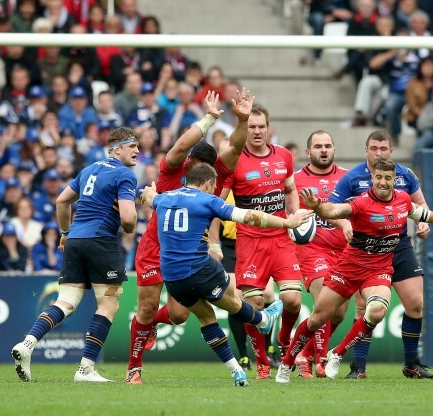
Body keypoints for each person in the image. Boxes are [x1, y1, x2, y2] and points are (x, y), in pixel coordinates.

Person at [275, 157, 433, 383]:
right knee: (317, 319)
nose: (383, 182)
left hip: (378, 270)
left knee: (376, 311)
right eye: (378, 177)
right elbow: (334, 210)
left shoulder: (403, 199)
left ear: (395, 180)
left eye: (388, 178)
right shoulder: (361, 203)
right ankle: (287, 362)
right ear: (372, 179)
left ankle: (337, 353)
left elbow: (419, 212)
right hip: (349, 268)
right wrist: (317, 206)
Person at [141, 163, 312, 386]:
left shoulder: (164, 199)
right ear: (207, 183)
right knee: (234, 302)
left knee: (206, 318)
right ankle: (263, 320)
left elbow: (150, 197)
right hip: (200, 269)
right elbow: (250, 216)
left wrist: (148, 191)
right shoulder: (207, 200)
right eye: (214, 186)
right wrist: (286, 222)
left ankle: (236, 371)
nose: (215, 191)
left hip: (172, 277)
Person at [126, 89, 253, 385]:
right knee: (146, 307)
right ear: (189, 163)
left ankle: (151, 324)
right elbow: (181, 144)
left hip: (186, 253)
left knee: (180, 315)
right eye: (195, 169)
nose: (200, 177)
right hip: (155, 247)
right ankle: (134, 369)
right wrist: (209, 118)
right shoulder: (171, 170)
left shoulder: (215, 175)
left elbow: (236, 147)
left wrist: (243, 120)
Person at [11, 127, 140, 383]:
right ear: (117, 149)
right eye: (132, 146)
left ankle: (27, 343)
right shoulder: (125, 174)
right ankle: (85, 369)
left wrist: (65, 232)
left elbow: (62, 201)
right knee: (108, 304)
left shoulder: (88, 170)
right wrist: (131, 223)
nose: (137, 151)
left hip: (75, 241)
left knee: (66, 301)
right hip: (100, 240)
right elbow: (127, 219)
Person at [328, 129, 433, 379]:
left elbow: (421, 205)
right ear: (366, 150)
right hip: (366, 249)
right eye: (374, 149)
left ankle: (411, 364)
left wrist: (423, 222)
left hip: (399, 245)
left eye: (383, 149)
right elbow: (331, 209)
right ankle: (358, 367)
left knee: (415, 303)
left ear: (391, 151)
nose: (379, 153)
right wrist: (345, 225)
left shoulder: (405, 174)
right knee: (364, 307)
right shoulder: (352, 178)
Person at [221, 104, 302, 380]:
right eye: (252, 127)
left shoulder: (284, 155)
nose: (257, 131)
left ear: (269, 128)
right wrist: (212, 241)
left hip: (280, 238)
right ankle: (262, 363)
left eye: (261, 126)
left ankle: (283, 338)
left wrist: (295, 215)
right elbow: (218, 204)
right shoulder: (235, 160)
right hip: (249, 241)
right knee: (254, 304)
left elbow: (290, 189)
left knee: (292, 300)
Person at [291, 130, 349, 378]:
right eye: (318, 146)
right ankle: (321, 360)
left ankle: (303, 353)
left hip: (343, 251)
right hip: (312, 249)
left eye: (327, 146)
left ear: (334, 149)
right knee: (325, 300)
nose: (323, 150)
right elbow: (288, 214)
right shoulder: (295, 180)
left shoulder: (348, 178)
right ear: (308, 152)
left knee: (339, 312)